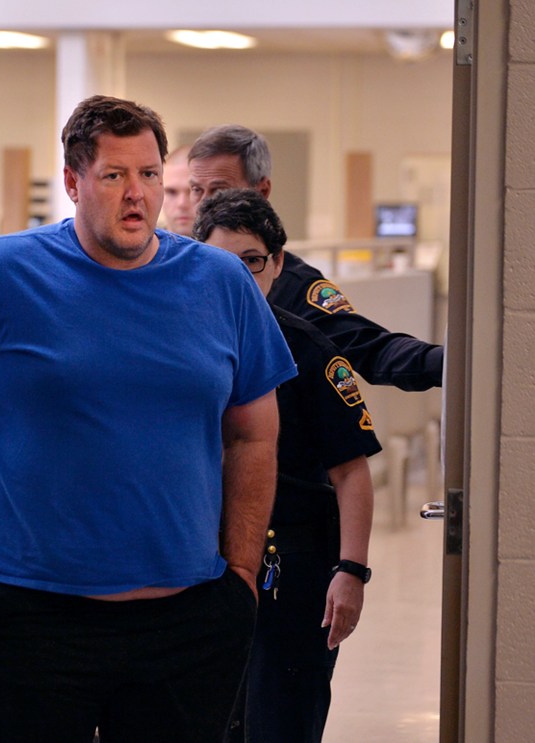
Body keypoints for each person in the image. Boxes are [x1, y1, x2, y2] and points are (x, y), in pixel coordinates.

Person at [0, 95, 297, 743]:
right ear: (71, 182)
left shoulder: (219, 282)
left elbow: (254, 433)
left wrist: (238, 577)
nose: (135, 195)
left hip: (186, 622)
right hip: (26, 618)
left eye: (149, 175)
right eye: (113, 175)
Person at [194, 189, 381, 743]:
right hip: (201, 563)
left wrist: (352, 572)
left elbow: (352, 471)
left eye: (251, 261)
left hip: (292, 566)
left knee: (281, 720)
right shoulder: (180, 343)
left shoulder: (308, 349)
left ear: (277, 264)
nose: (238, 278)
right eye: (221, 263)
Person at [184, 124, 444, 391]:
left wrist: (447, 364)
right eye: (195, 190)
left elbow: (368, 347)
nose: (202, 205)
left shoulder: (291, 283)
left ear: (261, 191)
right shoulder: (169, 266)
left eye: (218, 190)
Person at [160, 144, 195, 235]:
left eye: (193, 191)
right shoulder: (141, 248)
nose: (182, 204)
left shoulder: (230, 248)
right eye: (171, 192)